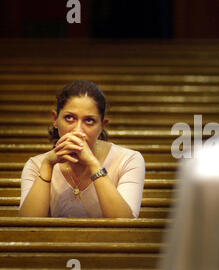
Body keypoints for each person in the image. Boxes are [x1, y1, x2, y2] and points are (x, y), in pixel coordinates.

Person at [19, 80, 145, 218]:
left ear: (102, 125)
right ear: (55, 119)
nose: (78, 130)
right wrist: (47, 165)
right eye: (69, 118)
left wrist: (93, 164)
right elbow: (27, 228)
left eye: (89, 120)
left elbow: (126, 225)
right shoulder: (36, 165)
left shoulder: (128, 160)